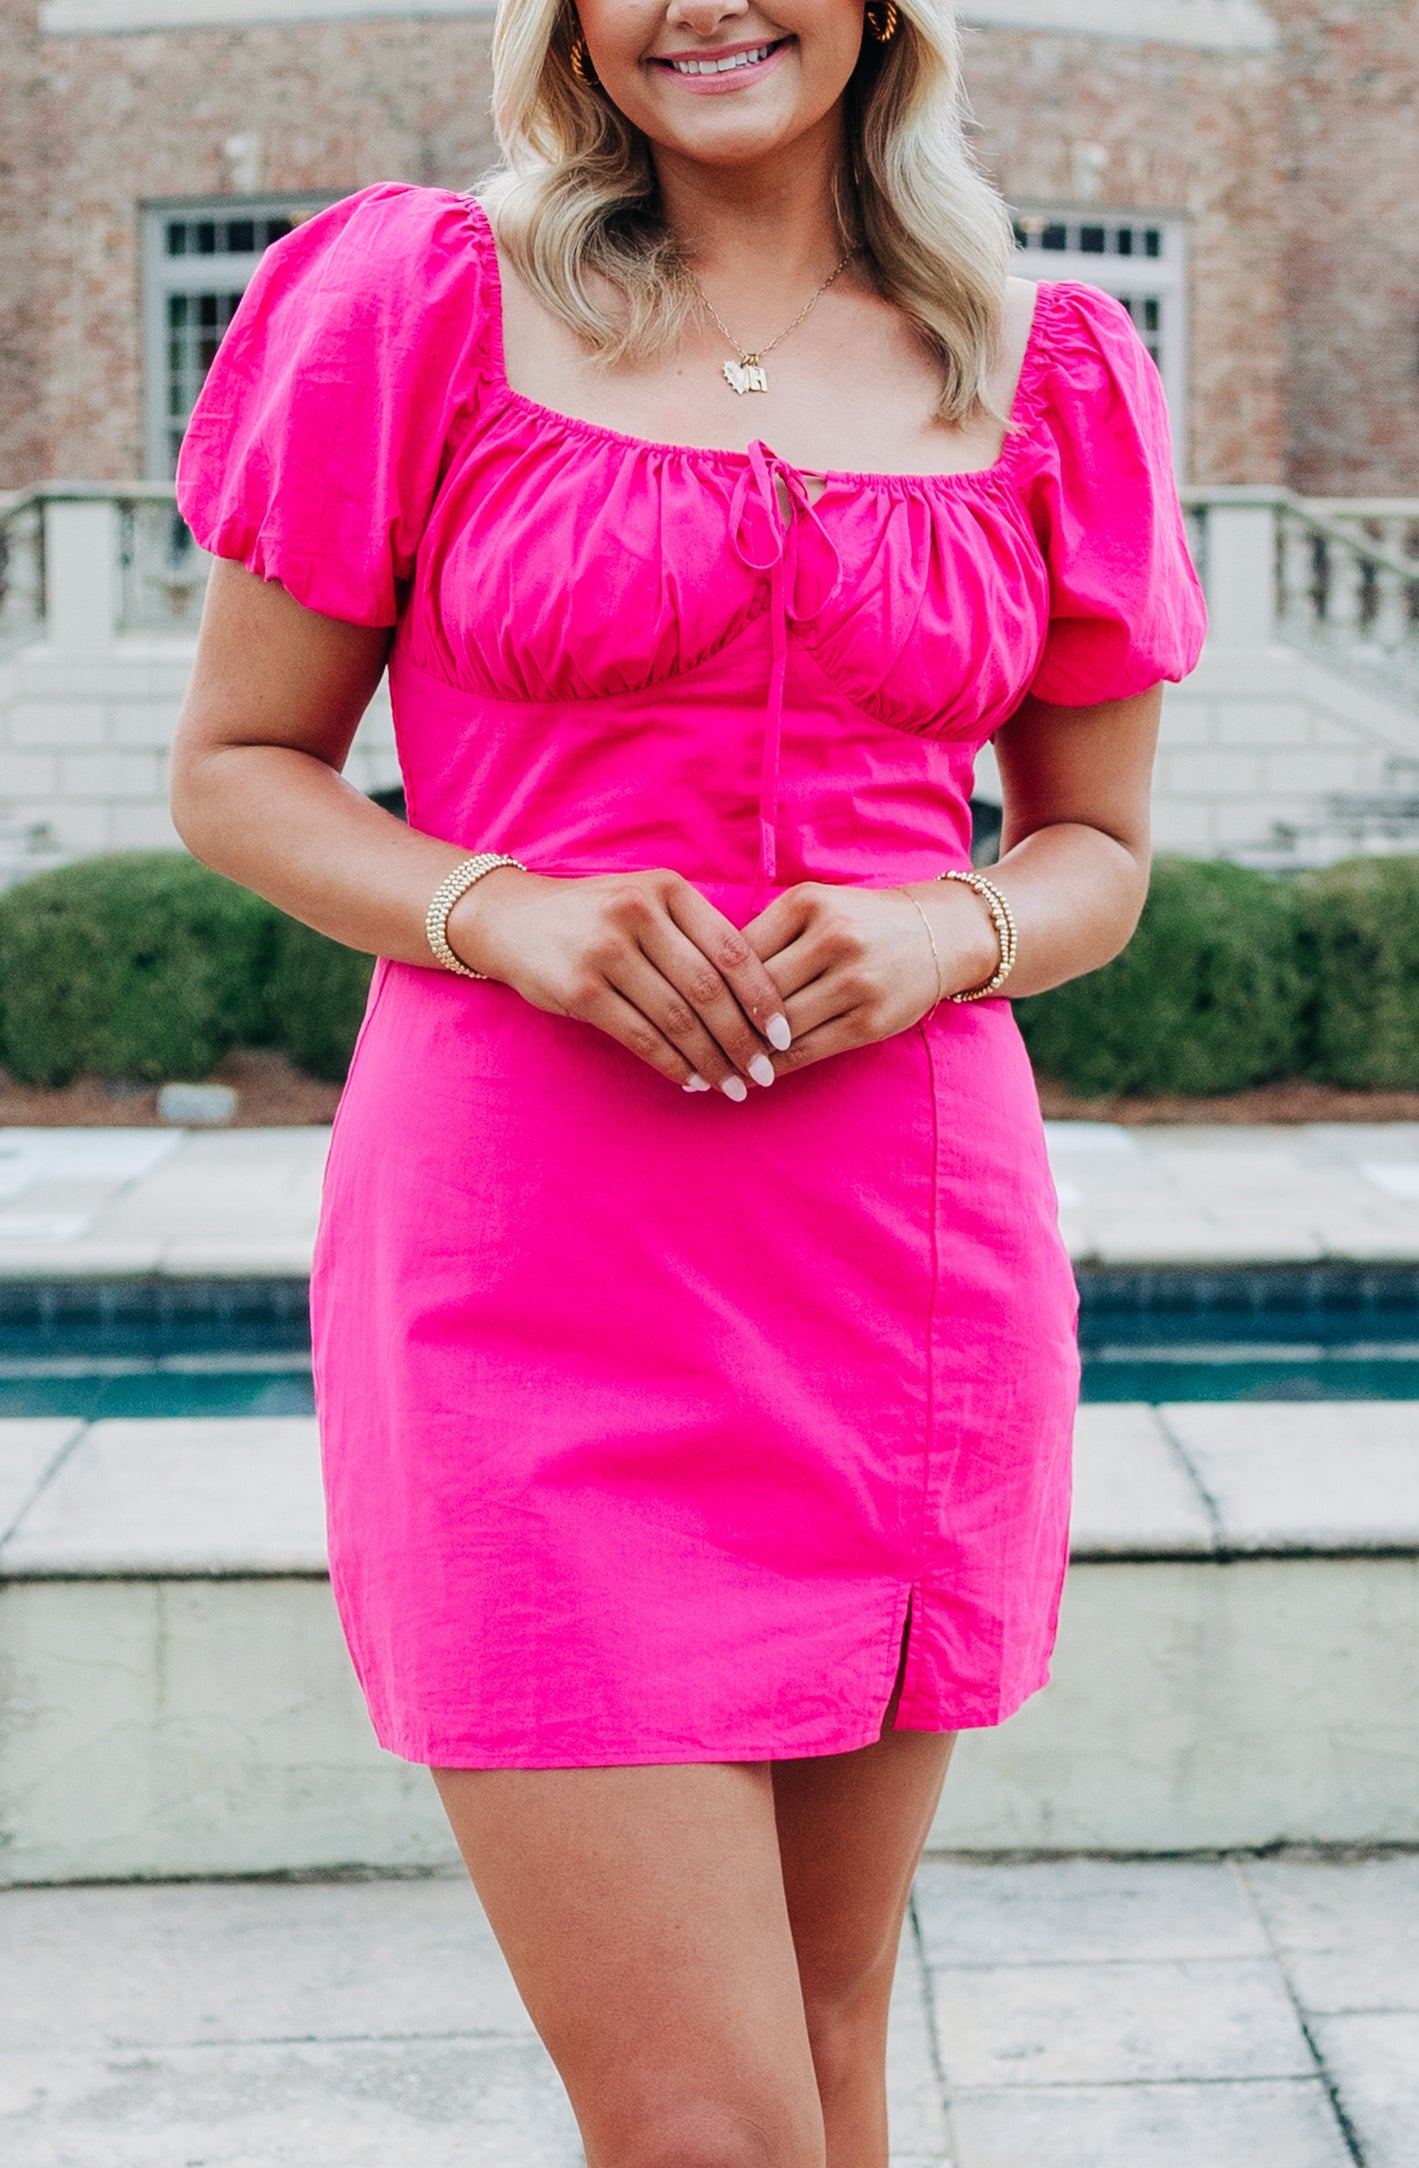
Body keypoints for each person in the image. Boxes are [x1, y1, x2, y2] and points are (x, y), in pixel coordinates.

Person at [170, 0, 1207, 2158]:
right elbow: (240, 770)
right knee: (700, 2119)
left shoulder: (1051, 362)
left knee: (830, 2051)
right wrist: (498, 906)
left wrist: (955, 922)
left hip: (902, 1275)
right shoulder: (421, 299)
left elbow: (1099, 855)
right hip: (525, 1276)